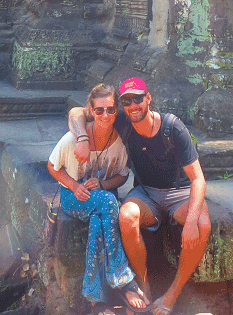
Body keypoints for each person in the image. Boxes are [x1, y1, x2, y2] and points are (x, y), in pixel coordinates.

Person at [70, 77, 211, 315]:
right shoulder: (122, 120)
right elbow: (76, 112)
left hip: (179, 193)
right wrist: (82, 138)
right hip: (146, 193)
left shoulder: (172, 127)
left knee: (202, 224)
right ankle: (143, 285)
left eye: (137, 99)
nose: (133, 105)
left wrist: (190, 223)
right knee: (126, 215)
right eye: (127, 101)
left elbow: (198, 179)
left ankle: (172, 294)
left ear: (148, 98)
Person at [48, 84, 151, 315]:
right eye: (99, 110)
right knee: (108, 203)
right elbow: (52, 167)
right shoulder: (73, 140)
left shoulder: (119, 141)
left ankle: (97, 300)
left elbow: (122, 175)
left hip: (104, 196)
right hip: (73, 196)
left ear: (117, 111)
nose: (105, 115)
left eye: (111, 110)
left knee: (99, 219)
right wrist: (74, 185)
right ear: (91, 111)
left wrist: (103, 184)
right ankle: (124, 281)